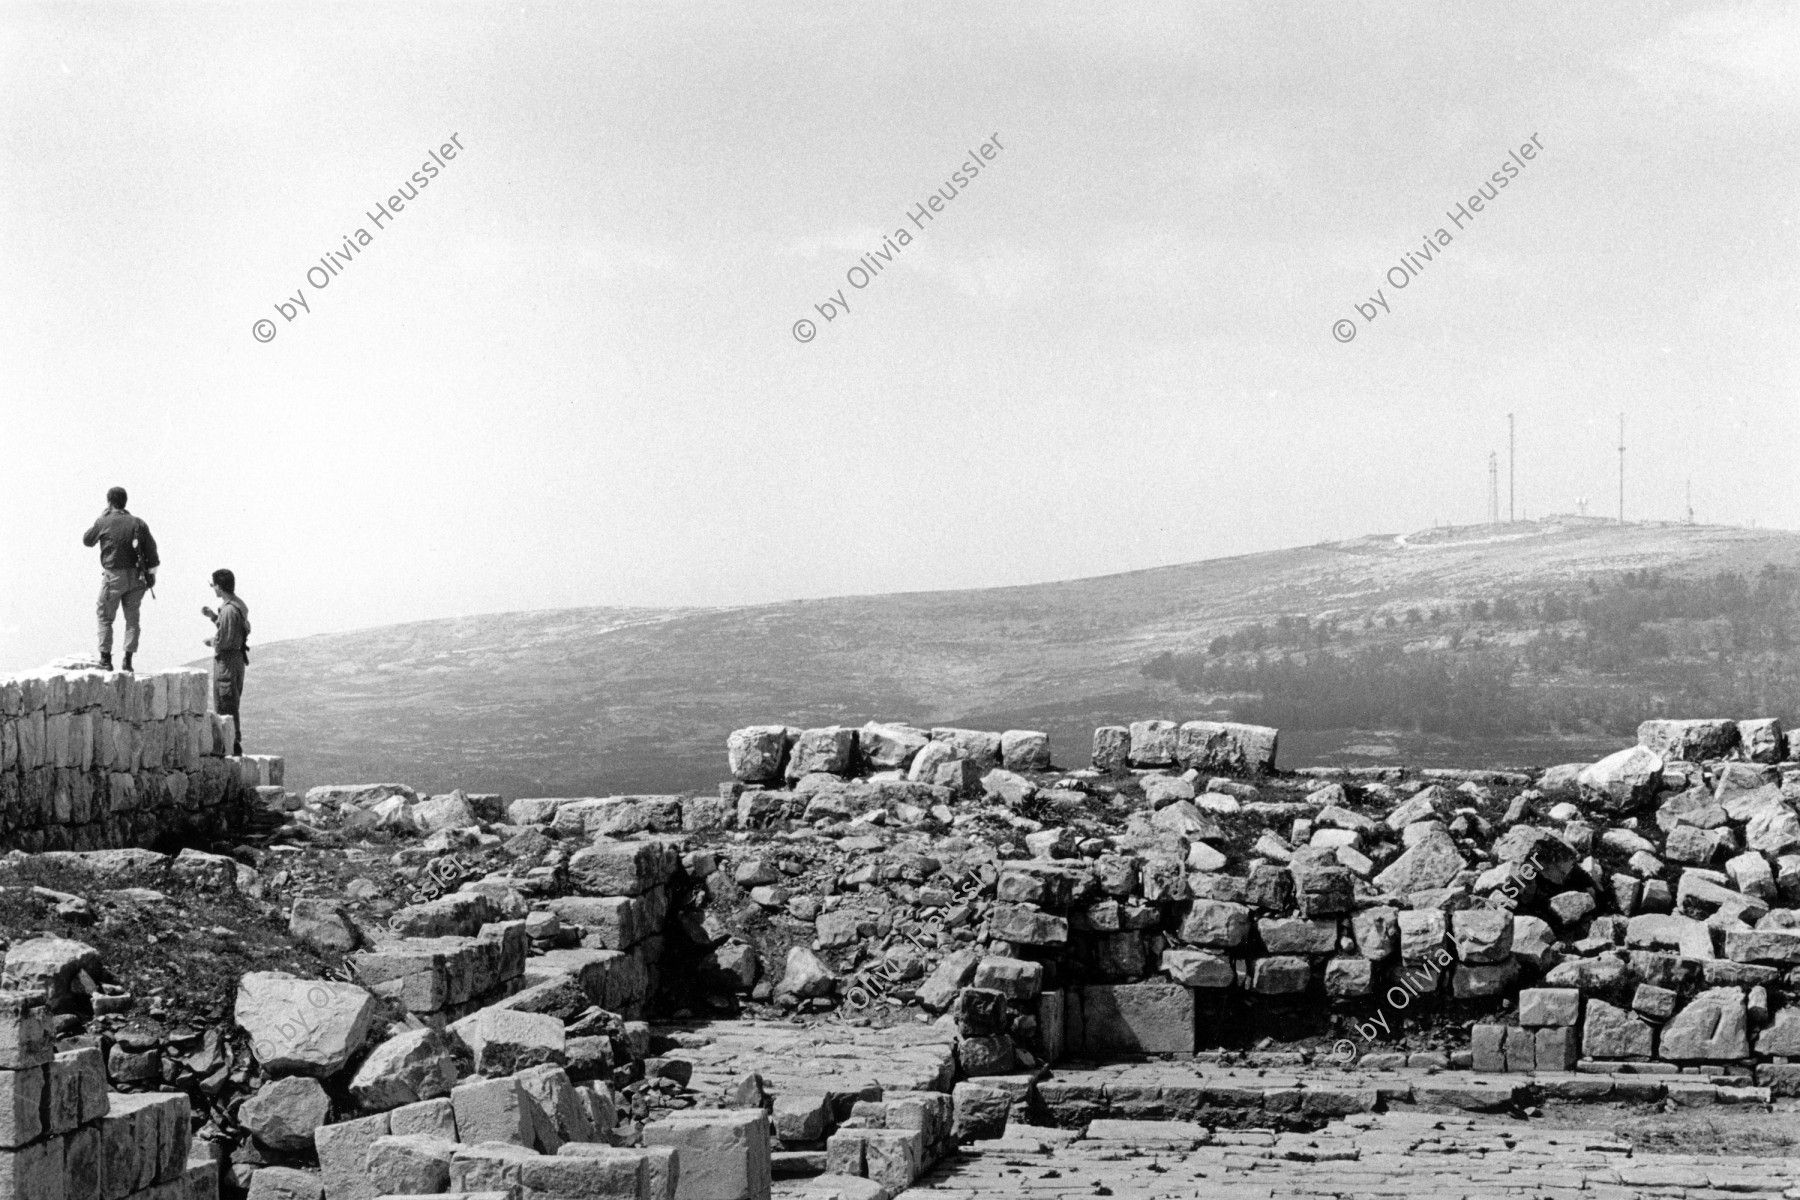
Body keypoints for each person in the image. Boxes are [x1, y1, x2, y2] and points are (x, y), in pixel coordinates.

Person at [81, 487, 159, 672]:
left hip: (113, 577)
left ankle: (106, 660)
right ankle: (128, 660)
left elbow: (87, 540)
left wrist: (100, 518)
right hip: (137, 577)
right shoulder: (138, 523)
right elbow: (153, 554)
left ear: (109, 502)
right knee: (132, 620)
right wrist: (151, 576)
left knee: (105, 618)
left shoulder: (104, 521)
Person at [202, 569, 251, 756]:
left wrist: (212, 642)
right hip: (235, 660)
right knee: (230, 701)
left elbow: (226, 639)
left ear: (219, 587)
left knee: (226, 702)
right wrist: (214, 618)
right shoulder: (237, 605)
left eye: (213, 585)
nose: (213, 589)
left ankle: (232, 746)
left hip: (228, 662)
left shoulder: (229, 610)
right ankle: (232, 744)